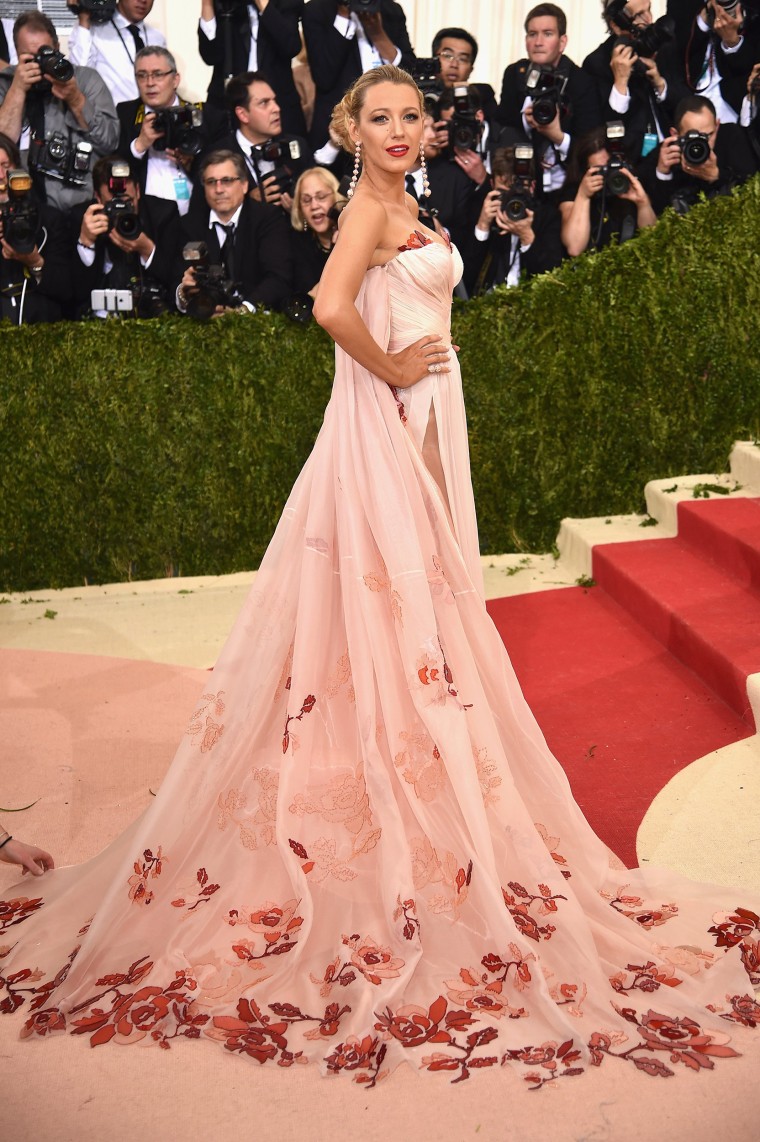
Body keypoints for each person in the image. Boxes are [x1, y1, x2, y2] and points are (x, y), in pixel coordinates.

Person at [1, 66, 758, 1087]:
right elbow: (325, 306)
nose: (400, 131)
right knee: (395, 605)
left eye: (412, 117)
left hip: (423, 420)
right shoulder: (364, 204)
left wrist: (422, 382)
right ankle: (382, 795)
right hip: (386, 427)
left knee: (413, 609)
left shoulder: (414, 199)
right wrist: (398, 374)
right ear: (350, 126)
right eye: (381, 118)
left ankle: (401, 772)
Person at [0, 12, 119, 213]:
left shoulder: (86, 80)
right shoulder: (6, 83)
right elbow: (3, 144)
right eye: (30, 57)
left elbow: (110, 142)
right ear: (18, 55)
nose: (39, 64)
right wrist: (17, 90)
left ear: (57, 47)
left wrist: (75, 99)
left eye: (45, 53)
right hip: (19, 209)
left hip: (79, 207)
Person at [497, 4, 603, 201]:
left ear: (562, 42)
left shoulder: (581, 81)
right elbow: (503, 125)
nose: (538, 42)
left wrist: (558, 136)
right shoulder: (514, 74)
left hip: (569, 185)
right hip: (524, 183)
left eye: (547, 34)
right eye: (532, 34)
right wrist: (525, 121)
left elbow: (591, 143)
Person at [177, 148, 293, 316]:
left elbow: (278, 277)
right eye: (211, 182)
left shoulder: (267, 218)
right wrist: (184, 292)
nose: (219, 189)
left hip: (258, 321)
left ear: (244, 185)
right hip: (205, 322)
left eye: (227, 181)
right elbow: (175, 278)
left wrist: (242, 312)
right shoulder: (190, 225)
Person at [116, 46, 225, 217]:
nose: (150, 83)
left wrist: (191, 163)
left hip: (195, 216)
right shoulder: (125, 114)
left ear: (175, 79)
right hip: (146, 219)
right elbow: (113, 170)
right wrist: (139, 145)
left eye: (158, 74)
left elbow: (223, 171)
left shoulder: (205, 116)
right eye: (142, 75)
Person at [71, 153, 183, 318]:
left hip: (149, 313)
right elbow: (74, 293)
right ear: (98, 198)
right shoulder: (82, 218)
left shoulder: (163, 214)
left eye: (127, 202)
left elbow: (176, 279)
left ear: (138, 191)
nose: (122, 209)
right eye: (113, 204)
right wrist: (86, 242)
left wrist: (147, 250)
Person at [583, 0, 690, 160]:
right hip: (631, 161)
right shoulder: (597, 63)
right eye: (639, 15)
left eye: (649, 10)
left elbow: (686, 102)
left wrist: (660, 85)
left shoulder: (664, 45)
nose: (648, 19)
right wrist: (621, 82)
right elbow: (603, 130)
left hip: (675, 152)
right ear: (617, 26)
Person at [303, 0, 416, 150]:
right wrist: (343, 16)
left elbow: (410, 73)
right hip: (339, 129)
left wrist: (378, 35)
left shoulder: (391, 10)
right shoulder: (318, 10)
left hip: (391, 123)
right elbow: (323, 77)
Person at [462, 144, 564, 295]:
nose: (512, 201)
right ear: (491, 185)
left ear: (532, 187)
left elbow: (552, 281)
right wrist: (483, 227)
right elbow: (465, 280)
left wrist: (527, 236)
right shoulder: (479, 211)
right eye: (504, 192)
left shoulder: (547, 217)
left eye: (518, 193)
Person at [198, 0, 307, 137]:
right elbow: (211, 56)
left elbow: (290, 47)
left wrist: (263, 4)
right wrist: (207, 5)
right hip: (228, 102)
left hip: (278, 101)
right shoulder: (225, 4)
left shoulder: (286, 3)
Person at [638, 92, 759, 213]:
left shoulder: (732, 137)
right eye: (693, 137)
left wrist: (717, 175)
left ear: (717, 126)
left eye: (707, 135)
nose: (701, 144)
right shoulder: (665, 155)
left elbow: (752, 190)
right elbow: (658, 217)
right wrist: (663, 174)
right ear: (675, 134)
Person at [216, 70, 314, 213]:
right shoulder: (218, 156)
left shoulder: (297, 146)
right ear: (243, 114)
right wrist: (246, 203)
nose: (276, 109)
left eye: (274, 101)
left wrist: (300, 211)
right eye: (264, 103)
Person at [0, 130, 71, 323]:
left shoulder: (49, 220)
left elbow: (68, 290)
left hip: (41, 335)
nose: (0, 176)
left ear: (18, 170)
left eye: (5, 166)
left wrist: (35, 262)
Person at [558, 123, 658, 254]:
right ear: (585, 172)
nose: (609, 174)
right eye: (601, 170)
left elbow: (654, 242)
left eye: (611, 166)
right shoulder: (574, 192)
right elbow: (575, 248)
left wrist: (642, 203)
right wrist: (583, 196)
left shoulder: (633, 183)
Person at [67, 0, 167, 107]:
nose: (143, 1)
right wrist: (84, 18)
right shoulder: (92, 30)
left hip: (151, 117)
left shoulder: (156, 37)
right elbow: (79, 76)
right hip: (112, 120)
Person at [289, 165, 344, 298]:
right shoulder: (297, 245)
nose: (314, 206)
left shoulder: (355, 235)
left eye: (321, 197)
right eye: (306, 200)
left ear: (336, 197)